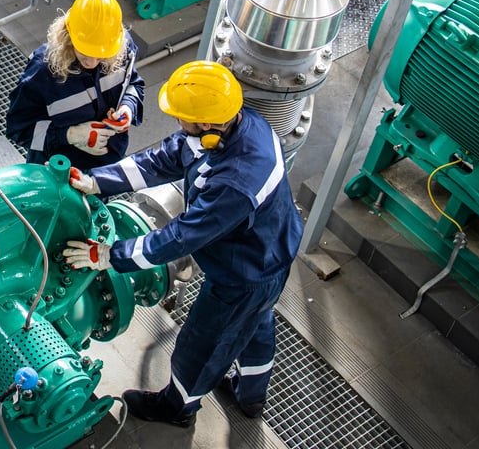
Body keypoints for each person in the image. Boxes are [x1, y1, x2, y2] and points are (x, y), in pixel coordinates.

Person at [61, 61, 302, 429]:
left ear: (206, 123)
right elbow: (166, 158)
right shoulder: (236, 122)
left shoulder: (236, 181)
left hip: (243, 273)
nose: (177, 123)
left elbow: (181, 237)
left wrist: (111, 256)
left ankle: (178, 408)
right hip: (272, 250)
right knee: (254, 324)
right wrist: (99, 181)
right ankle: (251, 395)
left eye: (182, 117)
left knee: (204, 344)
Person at [5, 0, 145, 171]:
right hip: (56, 170)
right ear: (67, 35)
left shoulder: (120, 46)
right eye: (85, 53)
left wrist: (128, 107)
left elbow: (133, 84)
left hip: (106, 168)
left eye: (101, 57)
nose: (92, 63)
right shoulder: (42, 72)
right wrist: (70, 135)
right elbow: (18, 131)